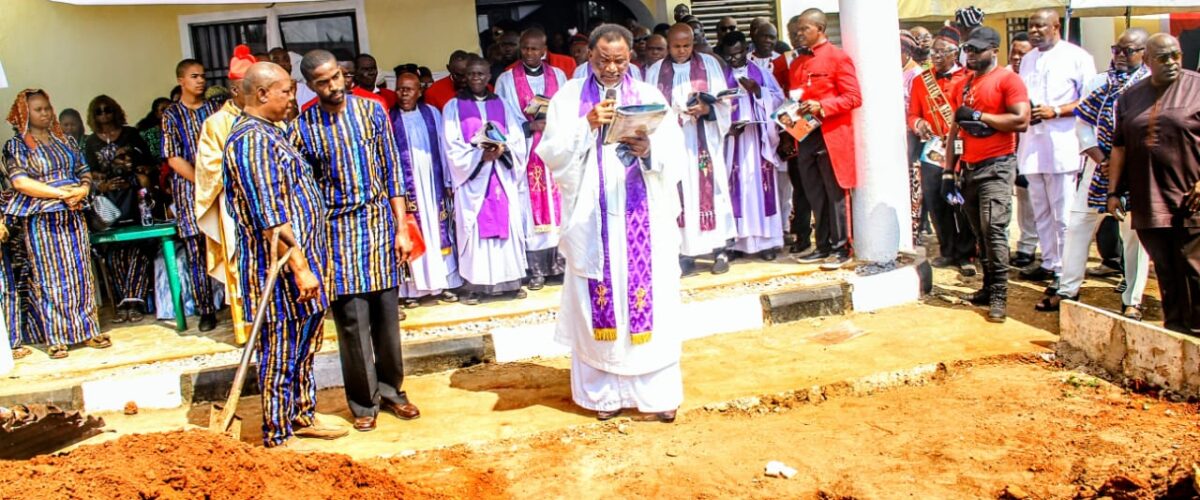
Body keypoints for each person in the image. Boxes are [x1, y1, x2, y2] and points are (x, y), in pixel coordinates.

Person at [537, 23, 687, 423]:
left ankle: (657, 395)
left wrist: (649, 150)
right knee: (600, 302)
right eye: (603, 60)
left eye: (620, 61)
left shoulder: (650, 96)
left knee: (652, 301)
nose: (611, 68)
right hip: (594, 219)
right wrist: (585, 124)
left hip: (644, 219)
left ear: (630, 57)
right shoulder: (569, 97)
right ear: (590, 55)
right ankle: (605, 395)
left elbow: (675, 156)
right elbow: (552, 154)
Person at [293, 50, 419, 432]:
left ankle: (393, 391)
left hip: (379, 226)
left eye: (336, 77)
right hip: (337, 234)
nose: (333, 86)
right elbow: (304, 192)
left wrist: (402, 228)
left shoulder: (372, 112)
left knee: (386, 321)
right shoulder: (303, 127)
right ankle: (364, 403)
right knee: (352, 323)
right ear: (310, 86)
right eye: (323, 82)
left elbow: (392, 172)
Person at [223, 62, 347, 448]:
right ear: (262, 94)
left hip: (301, 266)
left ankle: (302, 413)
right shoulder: (251, 141)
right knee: (281, 348)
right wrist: (300, 267)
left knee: (305, 344)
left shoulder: (271, 132)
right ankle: (278, 432)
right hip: (277, 271)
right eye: (286, 91)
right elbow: (271, 218)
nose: (293, 98)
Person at [1042, 29, 1151, 317]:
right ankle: (1068, 290)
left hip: (1136, 172)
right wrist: (1103, 159)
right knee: (1078, 225)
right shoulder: (1099, 83)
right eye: (1117, 49)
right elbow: (1083, 125)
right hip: (1098, 166)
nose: (1120, 56)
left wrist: (1123, 163)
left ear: (1144, 53)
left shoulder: (1150, 86)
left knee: (1134, 236)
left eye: (1129, 51)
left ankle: (1132, 300)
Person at [2, 89, 107, 359]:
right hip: (42, 216)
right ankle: (57, 337)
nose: (45, 113)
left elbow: (83, 170)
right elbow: (20, 182)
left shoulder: (66, 140)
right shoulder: (17, 146)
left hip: (73, 213)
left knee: (80, 271)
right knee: (50, 276)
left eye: (47, 108)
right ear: (25, 114)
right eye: (38, 109)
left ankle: (88, 330)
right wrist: (61, 194)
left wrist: (82, 189)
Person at [1108, 34, 1200, 336]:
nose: (1171, 62)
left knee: (1194, 267)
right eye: (1163, 58)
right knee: (1165, 269)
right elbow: (1119, 147)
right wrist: (1113, 192)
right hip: (1148, 197)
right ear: (1147, 60)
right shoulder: (1130, 97)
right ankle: (1176, 333)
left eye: (1176, 55)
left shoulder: (1196, 88)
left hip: (1190, 197)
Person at [943, 27, 1031, 323]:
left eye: (977, 50)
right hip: (968, 167)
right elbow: (955, 129)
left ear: (994, 50)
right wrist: (948, 171)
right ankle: (987, 286)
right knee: (979, 231)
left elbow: (1021, 120)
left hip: (997, 165)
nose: (970, 55)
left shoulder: (1008, 79)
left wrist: (981, 116)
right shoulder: (963, 84)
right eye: (968, 49)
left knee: (994, 229)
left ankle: (999, 295)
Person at [1016, 9, 1096, 293]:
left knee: (1063, 214)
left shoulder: (1077, 57)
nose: (1034, 31)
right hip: (1032, 143)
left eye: (1040, 26)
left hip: (1062, 143)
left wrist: (1057, 110)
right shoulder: (1028, 59)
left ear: (1056, 26)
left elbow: (1089, 100)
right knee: (1041, 210)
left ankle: (1066, 270)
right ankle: (1049, 262)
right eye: (1031, 26)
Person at [645, 24, 734, 276]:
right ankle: (684, 252)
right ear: (668, 45)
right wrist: (674, 114)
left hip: (703, 139)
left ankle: (720, 250)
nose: (682, 51)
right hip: (672, 142)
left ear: (693, 43)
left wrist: (707, 109)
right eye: (676, 46)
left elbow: (724, 102)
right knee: (677, 191)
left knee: (713, 189)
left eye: (686, 45)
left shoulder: (709, 64)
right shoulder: (655, 71)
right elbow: (650, 107)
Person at [443, 55, 530, 305]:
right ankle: (475, 286)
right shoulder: (453, 107)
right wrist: (480, 156)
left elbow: (516, 137)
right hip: (473, 182)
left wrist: (503, 150)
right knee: (473, 230)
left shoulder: (501, 104)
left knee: (508, 226)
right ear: (465, 76)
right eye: (471, 74)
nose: (476, 78)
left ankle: (510, 282)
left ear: (489, 76)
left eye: (481, 74)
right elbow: (451, 146)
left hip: (500, 176)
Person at [788, 9, 862, 270]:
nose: (799, 34)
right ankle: (822, 246)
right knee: (814, 193)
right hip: (805, 134)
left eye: (804, 29)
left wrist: (822, 105)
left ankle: (841, 248)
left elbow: (854, 97)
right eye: (797, 29)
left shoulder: (838, 58)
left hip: (831, 135)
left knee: (835, 193)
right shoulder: (797, 63)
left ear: (820, 29)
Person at [497, 28, 570, 290]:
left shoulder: (558, 75)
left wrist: (553, 121)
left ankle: (561, 265)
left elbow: (567, 110)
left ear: (544, 51)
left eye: (534, 48)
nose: (529, 53)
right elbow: (503, 116)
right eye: (525, 48)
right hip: (526, 150)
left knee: (560, 206)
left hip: (554, 148)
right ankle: (537, 269)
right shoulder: (507, 80)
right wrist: (528, 126)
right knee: (529, 209)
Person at [195, 45, 256, 344]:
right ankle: (246, 330)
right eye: (252, 88)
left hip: (269, 205)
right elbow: (209, 167)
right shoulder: (216, 124)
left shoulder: (268, 116)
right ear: (235, 89)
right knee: (241, 264)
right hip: (235, 208)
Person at [908, 27, 977, 274]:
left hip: (961, 146)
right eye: (933, 52)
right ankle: (947, 249)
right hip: (933, 148)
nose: (935, 56)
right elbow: (912, 114)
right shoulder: (921, 81)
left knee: (961, 201)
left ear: (954, 53)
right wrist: (919, 123)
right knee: (936, 200)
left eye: (941, 52)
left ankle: (967, 253)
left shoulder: (968, 78)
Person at [82, 95, 156, 322]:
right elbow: (87, 175)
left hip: (134, 199)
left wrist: (137, 175)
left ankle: (135, 303)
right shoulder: (90, 142)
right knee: (114, 254)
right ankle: (124, 303)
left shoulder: (130, 134)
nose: (104, 114)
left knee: (137, 251)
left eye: (108, 110)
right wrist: (103, 184)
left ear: (115, 111)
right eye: (99, 111)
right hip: (108, 204)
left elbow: (149, 164)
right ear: (93, 116)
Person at [391, 72, 462, 306]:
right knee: (414, 232)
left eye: (409, 89)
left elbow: (444, 146)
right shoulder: (390, 118)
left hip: (433, 186)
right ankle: (413, 290)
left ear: (419, 91)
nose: (403, 94)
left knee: (438, 232)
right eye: (400, 89)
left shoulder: (432, 113)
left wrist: (449, 180)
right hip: (407, 189)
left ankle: (444, 283)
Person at [162, 58, 221, 331]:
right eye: (194, 76)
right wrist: (202, 181)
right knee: (196, 250)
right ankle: (205, 309)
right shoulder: (172, 115)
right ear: (181, 81)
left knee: (224, 244)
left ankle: (235, 305)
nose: (201, 81)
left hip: (218, 189)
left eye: (203, 76)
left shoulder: (213, 109)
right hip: (190, 191)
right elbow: (173, 158)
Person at [720, 31, 785, 260]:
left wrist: (758, 91)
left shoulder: (761, 73)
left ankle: (767, 243)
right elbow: (713, 105)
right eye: (729, 56)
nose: (734, 59)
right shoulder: (719, 76)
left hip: (758, 140)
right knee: (734, 190)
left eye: (738, 54)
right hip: (732, 143)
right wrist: (727, 127)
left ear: (746, 50)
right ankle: (736, 244)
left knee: (759, 189)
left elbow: (779, 99)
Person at [1007, 32, 1039, 269]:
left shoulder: (1036, 78)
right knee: (1016, 199)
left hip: (1034, 147)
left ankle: (1031, 247)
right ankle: (1016, 246)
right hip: (1008, 149)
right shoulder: (1004, 75)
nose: (1017, 58)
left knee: (1032, 200)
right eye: (1014, 53)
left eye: (1022, 54)